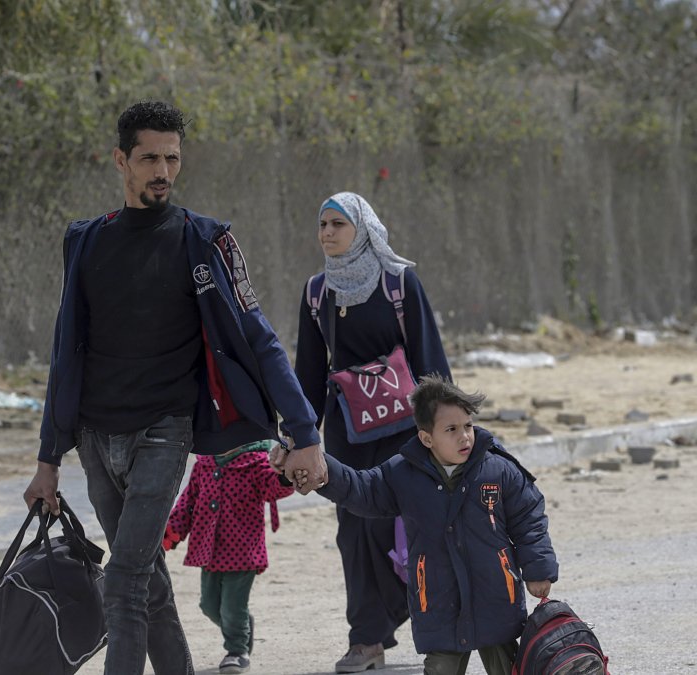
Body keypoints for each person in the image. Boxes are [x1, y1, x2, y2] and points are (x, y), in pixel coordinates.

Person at [22, 101, 327, 675]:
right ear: (121, 161)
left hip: (164, 432)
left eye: (173, 158)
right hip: (93, 434)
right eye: (149, 158)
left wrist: (304, 431)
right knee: (145, 579)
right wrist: (47, 460)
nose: (162, 170)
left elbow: (260, 339)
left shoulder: (206, 241)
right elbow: (65, 354)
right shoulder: (85, 242)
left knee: (124, 578)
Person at [291, 191, 452, 673]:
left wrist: (446, 431)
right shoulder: (317, 292)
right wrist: (301, 437)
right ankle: (366, 638)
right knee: (354, 531)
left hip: (404, 431)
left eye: (338, 224)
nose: (327, 233)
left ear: (361, 228)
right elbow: (307, 372)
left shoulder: (399, 282)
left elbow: (430, 361)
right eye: (322, 224)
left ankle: (424, 622)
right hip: (346, 432)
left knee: (406, 525)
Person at [313, 375, 558, 675]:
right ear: (426, 438)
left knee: (511, 670)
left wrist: (538, 568)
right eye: (451, 429)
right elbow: (362, 489)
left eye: (467, 425)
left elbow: (529, 515)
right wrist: (321, 469)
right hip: (440, 606)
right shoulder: (403, 474)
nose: (465, 436)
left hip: (496, 598)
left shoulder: (497, 468)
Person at [162, 440, 293, 673]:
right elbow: (187, 504)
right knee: (209, 605)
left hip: (243, 552)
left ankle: (237, 651)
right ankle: (241, 628)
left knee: (232, 608)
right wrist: (169, 535)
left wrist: (283, 474)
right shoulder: (204, 463)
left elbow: (275, 488)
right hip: (209, 550)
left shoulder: (256, 463)